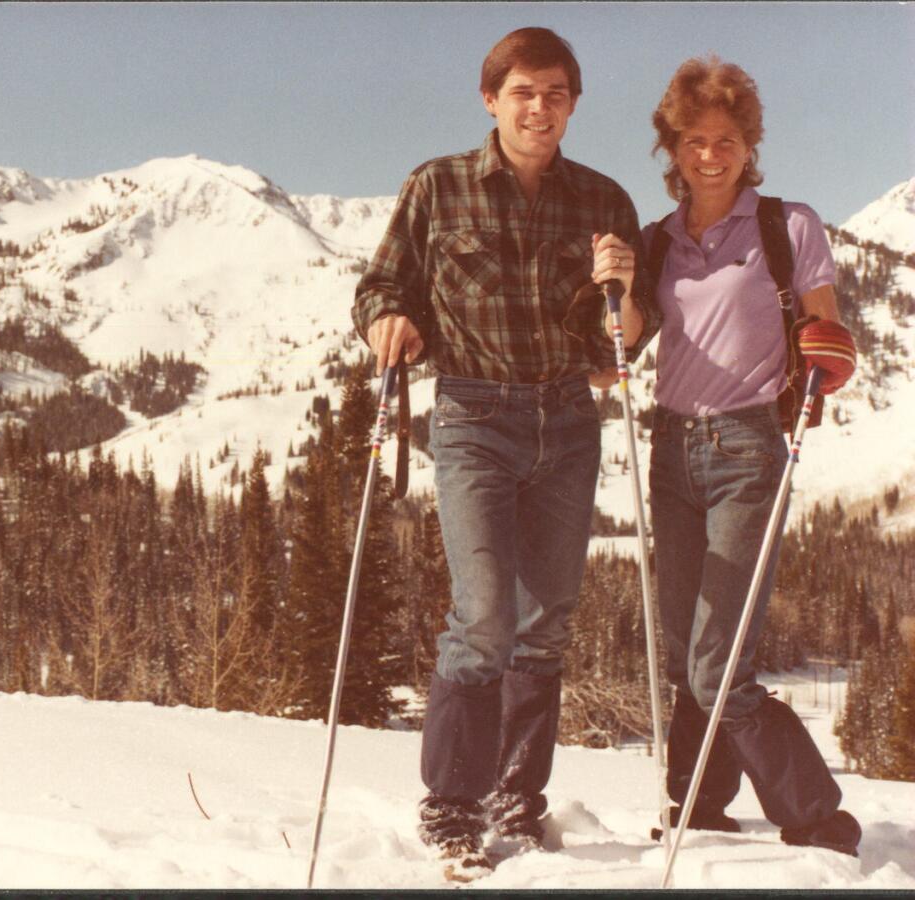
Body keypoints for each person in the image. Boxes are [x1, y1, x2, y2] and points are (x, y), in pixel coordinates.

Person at [351, 27, 655, 878]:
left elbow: (622, 348)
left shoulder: (603, 202)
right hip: (474, 417)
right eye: (524, 91)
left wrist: (621, 291)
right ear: (492, 99)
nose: (540, 107)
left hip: (566, 419)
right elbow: (380, 286)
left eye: (557, 93)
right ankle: (452, 806)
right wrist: (388, 321)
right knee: (483, 616)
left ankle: (518, 797)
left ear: (573, 104)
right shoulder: (438, 186)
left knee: (544, 624)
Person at [635, 55, 861, 856]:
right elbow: (620, 341)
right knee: (687, 645)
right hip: (669, 449)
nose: (710, 153)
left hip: (747, 448)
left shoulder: (785, 225)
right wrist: (608, 288)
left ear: (748, 143)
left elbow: (826, 328)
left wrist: (824, 368)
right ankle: (698, 804)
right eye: (694, 138)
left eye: (726, 138)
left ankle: (816, 815)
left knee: (717, 656)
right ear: (672, 148)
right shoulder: (657, 241)